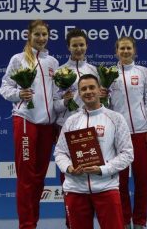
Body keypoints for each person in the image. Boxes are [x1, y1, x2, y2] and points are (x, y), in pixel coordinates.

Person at [0, 20, 59, 229]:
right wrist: (18, 94)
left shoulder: (52, 62)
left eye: (44, 35)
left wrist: (64, 99)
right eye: (37, 34)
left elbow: (55, 95)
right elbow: (5, 87)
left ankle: (33, 222)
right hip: (26, 120)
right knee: (26, 177)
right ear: (29, 35)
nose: (41, 38)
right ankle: (26, 225)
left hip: (47, 125)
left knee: (39, 177)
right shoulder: (18, 59)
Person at [54, 74, 134, 229]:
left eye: (92, 87)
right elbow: (60, 152)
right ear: (79, 93)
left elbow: (127, 153)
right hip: (75, 188)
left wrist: (102, 170)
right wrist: (68, 168)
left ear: (99, 90)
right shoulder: (72, 121)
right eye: (83, 89)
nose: (88, 91)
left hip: (106, 187)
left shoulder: (115, 118)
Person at [109, 36, 147, 229]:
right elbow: (105, 105)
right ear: (116, 52)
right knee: (119, 182)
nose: (125, 51)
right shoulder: (109, 73)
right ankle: (124, 220)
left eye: (129, 48)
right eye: (122, 48)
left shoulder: (144, 72)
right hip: (118, 135)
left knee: (141, 181)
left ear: (134, 51)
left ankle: (140, 222)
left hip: (140, 132)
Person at [54, 28, 99, 229]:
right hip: (66, 128)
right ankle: (71, 221)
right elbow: (54, 106)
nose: (79, 48)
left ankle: (90, 220)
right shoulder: (60, 72)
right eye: (75, 45)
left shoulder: (94, 71)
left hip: (91, 130)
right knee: (69, 175)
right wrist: (65, 102)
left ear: (86, 46)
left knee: (91, 175)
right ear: (68, 47)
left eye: (82, 44)